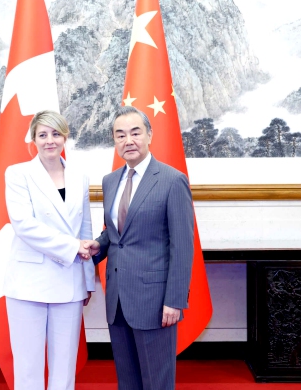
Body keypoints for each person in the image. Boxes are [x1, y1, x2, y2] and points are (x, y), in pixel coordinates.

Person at [88, 106, 194, 390]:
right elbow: (116, 233)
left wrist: (174, 299)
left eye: (135, 132)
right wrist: (98, 244)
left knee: (157, 381)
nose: (128, 140)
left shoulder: (172, 181)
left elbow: (183, 246)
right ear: (114, 141)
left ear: (149, 135)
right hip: (118, 298)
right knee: (128, 381)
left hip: (155, 301)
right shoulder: (110, 182)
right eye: (120, 135)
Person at [3, 110, 95, 390]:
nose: (49, 140)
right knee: (28, 369)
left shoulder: (79, 176)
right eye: (42, 135)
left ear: (65, 136)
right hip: (28, 284)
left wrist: (88, 279)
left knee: (64, 368)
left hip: (69, 281)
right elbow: (23, 225)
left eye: (56, 133)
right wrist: (71, 247)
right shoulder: (18, 173)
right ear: (33, 139)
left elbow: (86, 230)